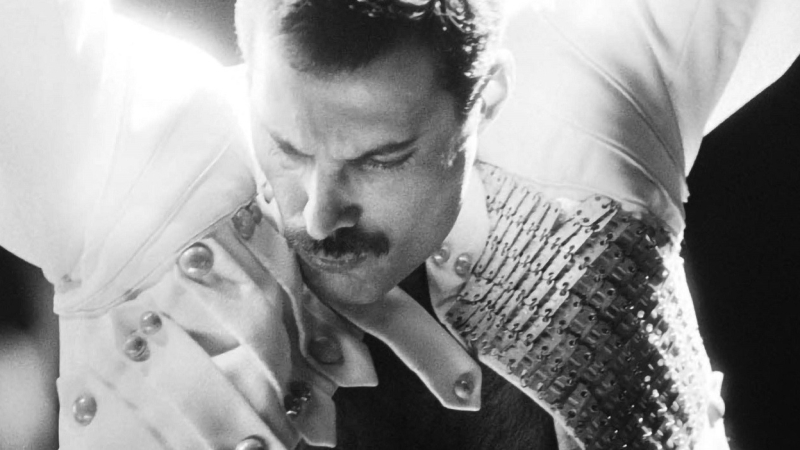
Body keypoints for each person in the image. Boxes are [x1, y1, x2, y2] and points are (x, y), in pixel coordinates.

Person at [1, 0, 799, 449]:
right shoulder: (133, 151)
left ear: (488, 98)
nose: (319, 211)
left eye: (381, 158)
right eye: (285, 145)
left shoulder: (592, 88)